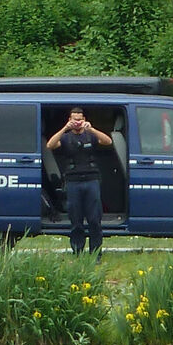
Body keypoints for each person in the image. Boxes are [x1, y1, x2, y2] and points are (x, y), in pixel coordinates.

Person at [46, 107, 112, 259]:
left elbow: (107, 141)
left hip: (91, 181)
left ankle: (96, 255)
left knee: (94, 220)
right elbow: (50, 145)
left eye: (79, 119)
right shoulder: (65, 137)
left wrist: (92, 129)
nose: (77, 122)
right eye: (74, 119)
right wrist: (64, 129)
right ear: (69, 120)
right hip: (73, 182)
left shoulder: (91, 135)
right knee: (76, 221)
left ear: (84, 119)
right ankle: (78, 254)